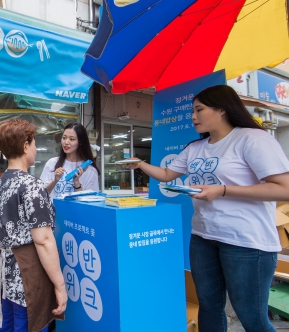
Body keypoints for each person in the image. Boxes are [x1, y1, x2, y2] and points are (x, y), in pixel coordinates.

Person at [123, 85, 289, 332]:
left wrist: (223, 190)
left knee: (251, 315)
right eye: (192, 111)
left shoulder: (252, 139)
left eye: (199, 109)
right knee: (209, 306)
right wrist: (140, 164)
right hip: (203, 237)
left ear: (222, 109)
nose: (192, 116)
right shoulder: (195, 147)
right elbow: (168, 174)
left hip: (246, 242)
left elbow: (283, 188)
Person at [0, 119, 67, 332]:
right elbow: (44, 240)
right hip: (28, 276)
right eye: (34, 143)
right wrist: (60, 285)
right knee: (28, 324)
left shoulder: (1, 182)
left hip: (6, 274)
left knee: (9, 325)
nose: (36, 148)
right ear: (25, 146)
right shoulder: (32, 185)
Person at [40, 122, 100, 199]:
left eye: (72, 139)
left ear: (81, 142)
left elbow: (90, 204)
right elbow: (41, 194)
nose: (66, 142)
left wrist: (77, 183)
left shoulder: (90, 171)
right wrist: (55, 181)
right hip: (53, 211)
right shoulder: (52, 163)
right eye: (64, 138)